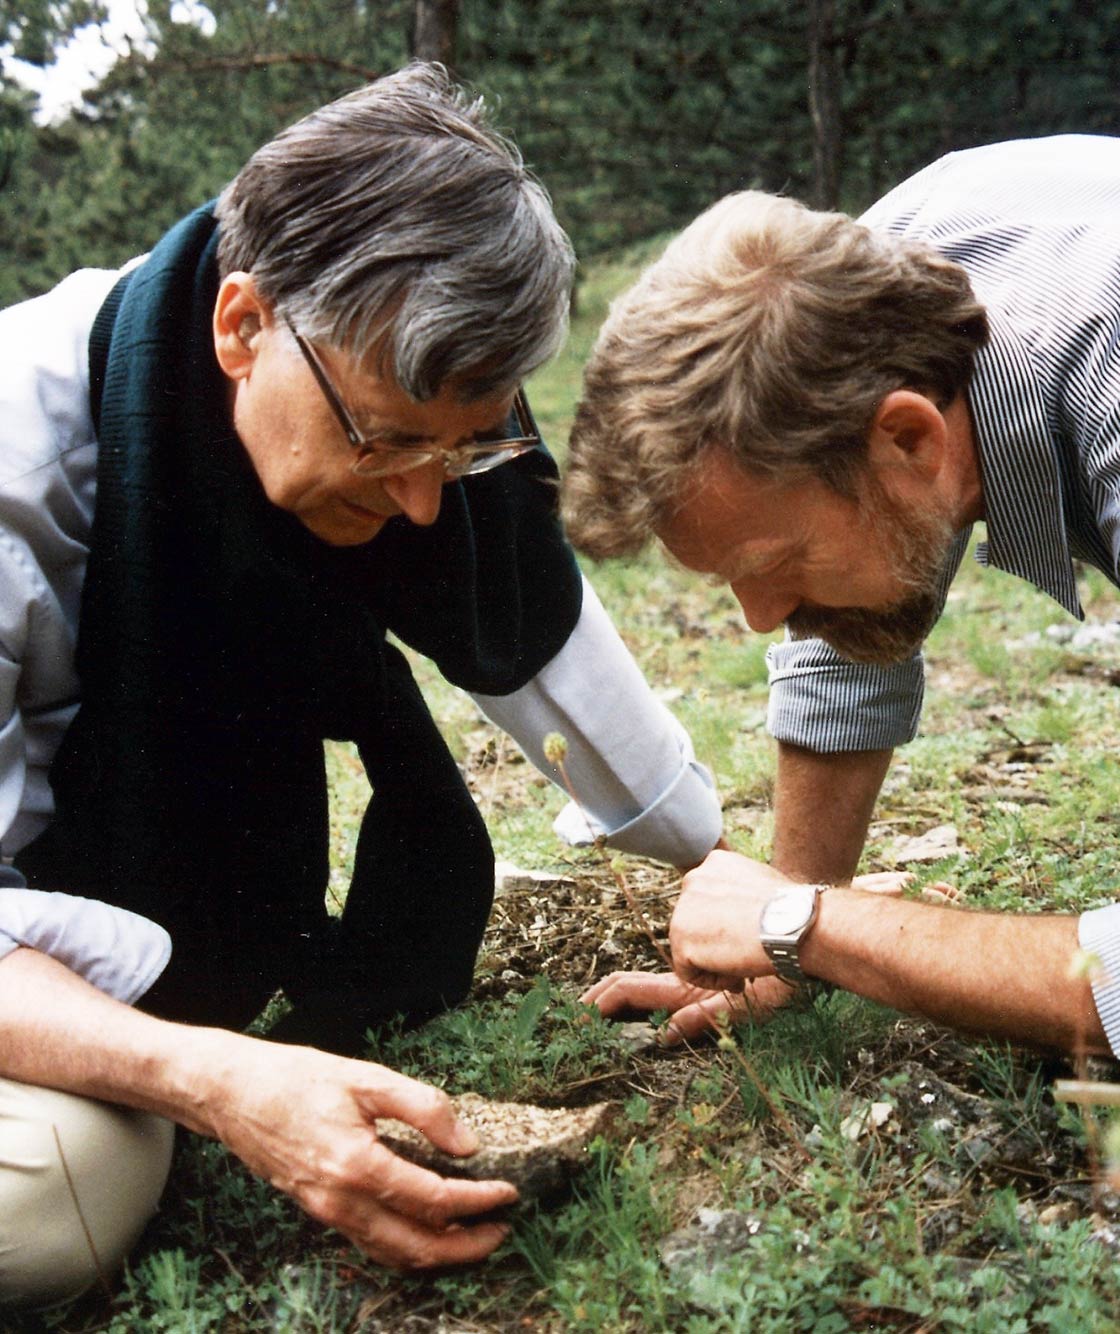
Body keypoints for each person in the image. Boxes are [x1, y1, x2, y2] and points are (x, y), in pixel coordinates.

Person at [0, 65, 723, 1307]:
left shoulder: (385, 423)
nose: (423, 504)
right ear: (242, 326)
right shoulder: (21, 480)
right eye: (387, 439)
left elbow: (570, 679)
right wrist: (216, 1077)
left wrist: (743, 899)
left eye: (471, 443)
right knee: (62, 1190)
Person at [563, 134, 1120, 1059]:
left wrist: (804, 924)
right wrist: (778, 951)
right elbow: (853, 617)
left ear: (909, 439)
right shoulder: (861, 286)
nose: (758, 616)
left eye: (775, 561)